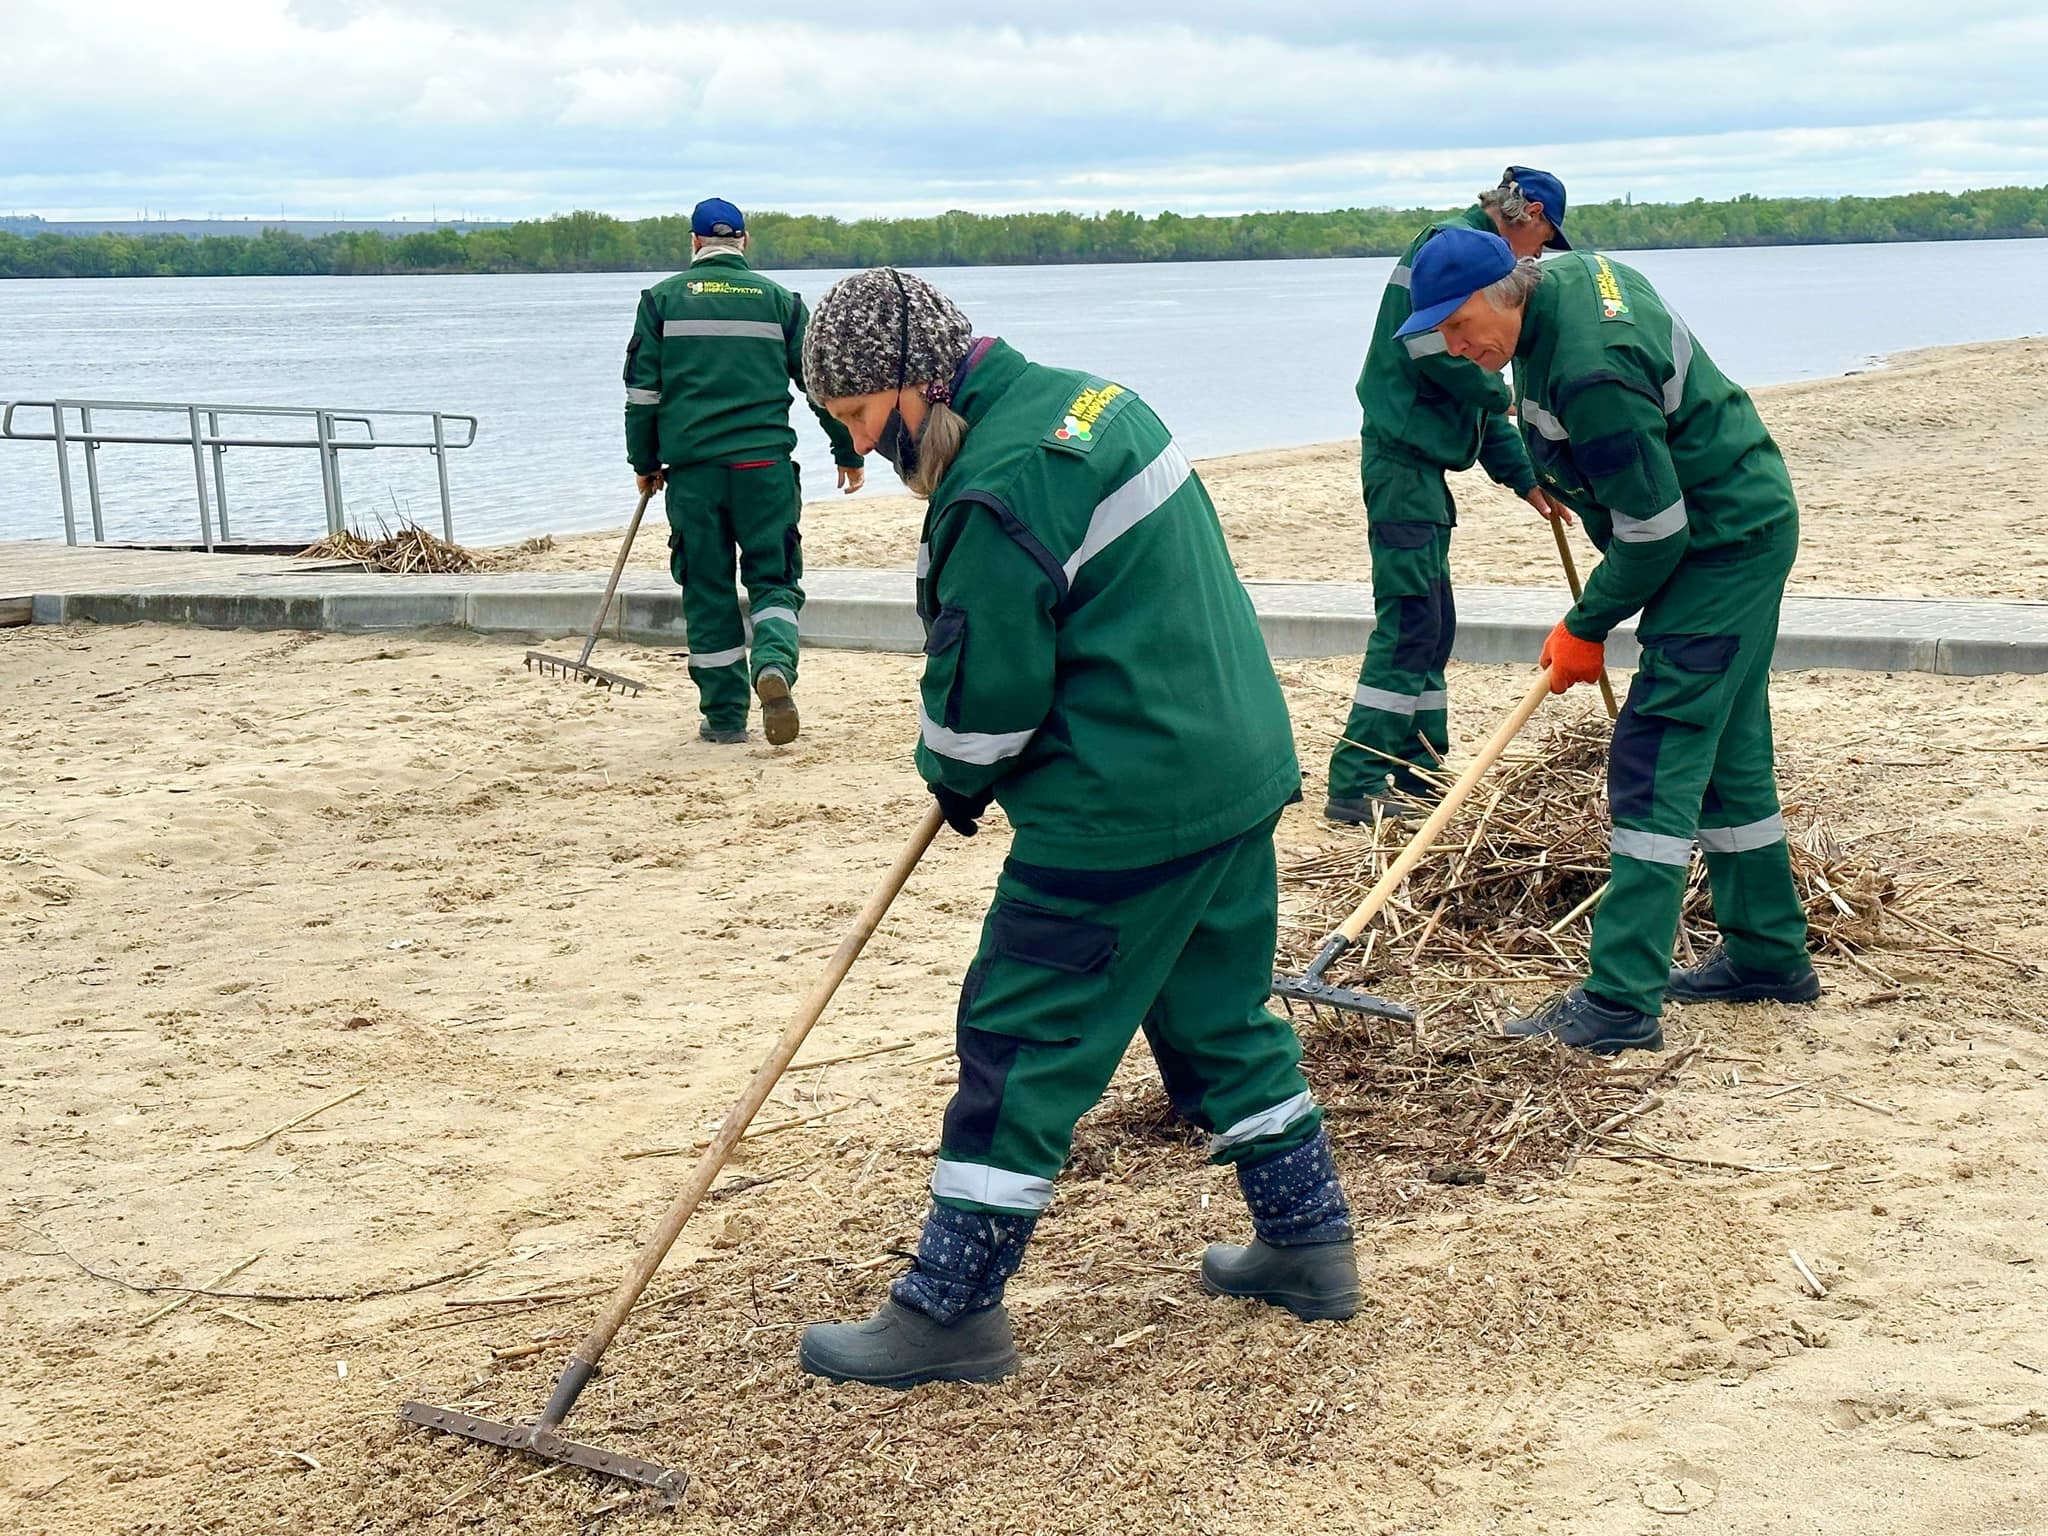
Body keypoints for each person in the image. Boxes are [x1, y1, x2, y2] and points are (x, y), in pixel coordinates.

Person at [791, 267, 1357, 1388]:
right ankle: (1308, 1242)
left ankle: (950, 1311)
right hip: (1232, 768)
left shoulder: (996, 487)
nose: (861, 447)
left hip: (1123, 806)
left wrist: (953, 779)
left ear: (912, 379)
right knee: (1216, 1015)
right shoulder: (1097, 402)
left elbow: (984, 700)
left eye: (856, 417)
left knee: (1019, 1041)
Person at [1396, 226, 1819, 1054]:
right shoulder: (1563, 282)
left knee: (1654, 754)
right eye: (1439, 333)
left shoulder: (1594, 369)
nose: (1454, 346)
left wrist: (1585, 625)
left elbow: (1657, 534)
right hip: (1740, 522)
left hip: (1719, 546)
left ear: (1498, 292)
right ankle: (1769, 953)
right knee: (1728, 752)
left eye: (1458, 326)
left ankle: (1620, 1002)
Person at [1326, 167, 1578, 825]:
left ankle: (1419, 766)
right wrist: (1507, 393)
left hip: (1424, 471)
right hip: (1400, 463)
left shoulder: (1477, 268)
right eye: (1544, 243)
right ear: (1529, 216)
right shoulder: (1449, 252)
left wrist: (1526, 478)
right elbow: (1438, 352)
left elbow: (1477, 398)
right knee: (1410, 620)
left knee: (1436, 624)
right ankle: (1356, 779)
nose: (1537, 262)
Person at [622, 197, 864, 745]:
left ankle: (725, 717)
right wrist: (847, 450)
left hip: (695, 474)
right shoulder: (781, 302)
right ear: (745, 242)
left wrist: (645, 461)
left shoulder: (661, 301)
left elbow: (642, 394)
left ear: (694, 243)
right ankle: (773, 664)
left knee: (707, 589)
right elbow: (820, 388)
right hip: (764, 470)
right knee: (774, 580)